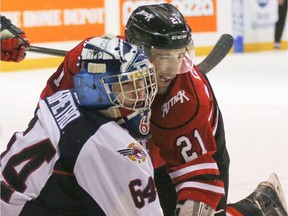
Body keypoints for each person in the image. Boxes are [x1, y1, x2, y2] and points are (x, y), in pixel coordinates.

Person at [2, 4, 287, 216]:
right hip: (114, 158)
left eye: (180, 56)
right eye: (163, 58)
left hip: (166, 158)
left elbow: (199, 177)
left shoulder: (186, 98)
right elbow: (53, 121)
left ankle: (256, 209)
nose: (173, 70)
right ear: (137, 47)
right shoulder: (85, 61)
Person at [0, 36, 163, 215]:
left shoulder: (65, 97)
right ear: (98, 89)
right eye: (127, 84)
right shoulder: (111, 146)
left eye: (141, 80)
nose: (141, 93)